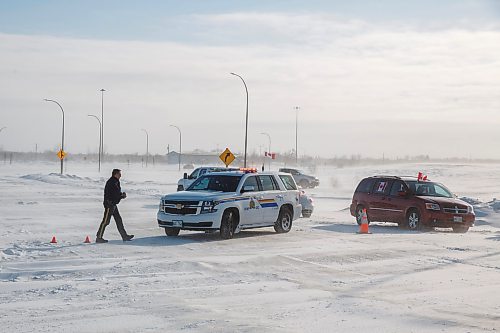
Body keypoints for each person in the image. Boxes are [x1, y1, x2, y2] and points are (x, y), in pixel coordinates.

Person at [96, 169, 134, 243]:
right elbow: (113, 194)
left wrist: (121, 195)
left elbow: (116, 193)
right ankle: (99, 237)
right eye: (119, 174)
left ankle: (124, 236)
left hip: (113, 204)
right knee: (105, 222)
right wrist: (121, 196)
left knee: (119, 220)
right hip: (109, 205)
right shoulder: (112, 182)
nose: (120, 175)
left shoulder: (115, 181)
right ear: (115, 174)